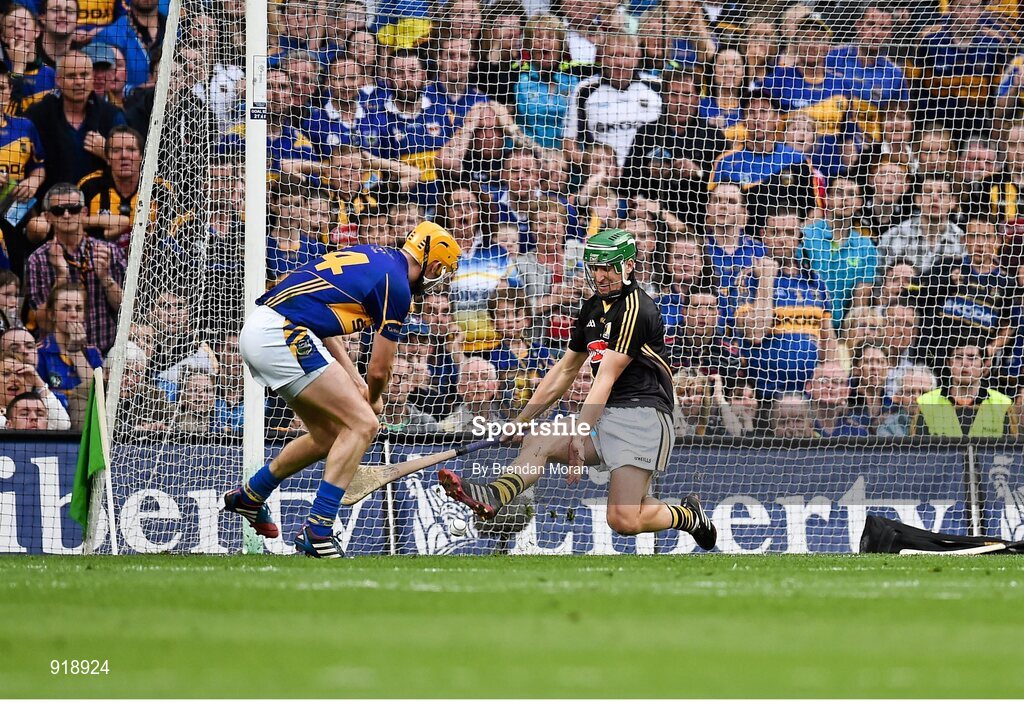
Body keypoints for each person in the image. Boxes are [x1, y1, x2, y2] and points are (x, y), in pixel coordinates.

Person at [437, 228, 717, 550]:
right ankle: (496, 494)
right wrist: (522, 419)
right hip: (605, 413)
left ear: (628, 266)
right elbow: (565, 370)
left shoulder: (637, 309)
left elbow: (605, 377)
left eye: (609, 267)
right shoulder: (592, 309)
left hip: (643, 415)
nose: (600, 276)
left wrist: (580, 435)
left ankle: (688, 516)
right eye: (595, 268)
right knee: (538, 437)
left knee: (624, 520)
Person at [222, 221, 462, 558]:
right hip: (282, 334)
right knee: (363, 424)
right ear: (434, 265)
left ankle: (250, 496)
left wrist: (356, 382)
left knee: (329, 435)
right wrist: (373, 399)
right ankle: (318, 529)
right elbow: (380, 369)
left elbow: (322, 323)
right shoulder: (398, 288)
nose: (438, 280)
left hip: (266, 328)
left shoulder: (376, 258)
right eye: (441, 272)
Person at [735, 207, 838, 397]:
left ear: (799, 238)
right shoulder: (749, 279)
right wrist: (766, 280)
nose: (782, 239)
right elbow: (755, 333)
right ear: (763, 235)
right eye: (775, 232)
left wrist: (829, 381)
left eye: (789, 233)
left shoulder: (815, 282)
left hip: (808, 396)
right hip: (763, 395)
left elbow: (828, 341)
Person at [25, 183, 125, 354]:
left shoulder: (108, 251)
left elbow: (126, 309)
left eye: (74, 209)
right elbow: (44, 322)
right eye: (58, 211)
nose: (66, 215)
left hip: (107, 350)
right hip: (59, 355)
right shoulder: (37, 259)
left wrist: (105, 277)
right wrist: (61, 275)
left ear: (84, 212)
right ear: (48, 217)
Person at [910, 344, 1018, 438]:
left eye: (972, 357)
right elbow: (917, 452)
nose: (964, 363)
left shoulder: (1003, 404)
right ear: (948, 363)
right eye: (958, 357)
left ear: (984, 364)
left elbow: (1011, 453)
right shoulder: (926, 403)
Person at [36, 281, 103, 429]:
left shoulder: (93, 352)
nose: (73, 314)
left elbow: (97, 393)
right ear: (52, 315)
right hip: (54, 425)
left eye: (78, 309)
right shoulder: (40, 353)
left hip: (87, 422)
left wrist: (76, 352)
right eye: (65, 308)